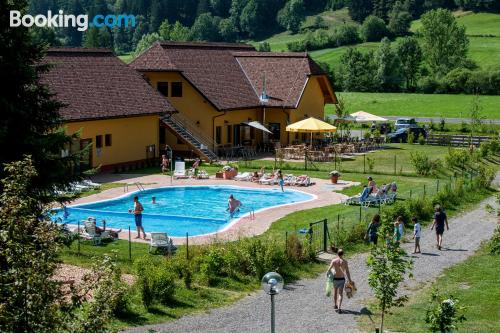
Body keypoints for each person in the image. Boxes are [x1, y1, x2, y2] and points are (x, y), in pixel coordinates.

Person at [326, 249, 352, 314]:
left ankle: (335, 305)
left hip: (335, 279)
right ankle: (339, 308)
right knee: (340, 294)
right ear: (343, 254)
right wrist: (350, 280)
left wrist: (330, 273)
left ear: (337, 254)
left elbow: (328, 270)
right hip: (342, 279)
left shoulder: (334, 261)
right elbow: (347, 272)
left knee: (335, 292)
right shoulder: (345, 262)